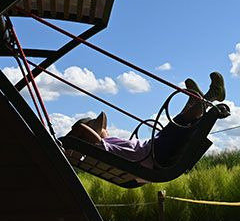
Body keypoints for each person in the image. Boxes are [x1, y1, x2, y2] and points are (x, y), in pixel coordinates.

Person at [66, 72, 226, 168]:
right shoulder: (100, 148)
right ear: (92, 135)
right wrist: (72, 139)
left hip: (154, 149)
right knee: (182, 121)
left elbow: (99, 136)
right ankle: (212, 95)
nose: (105, 129)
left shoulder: (108, 144)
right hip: (155, 152)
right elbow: (87, 134)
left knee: (180, 124)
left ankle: (195, 101)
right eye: (100, 128)